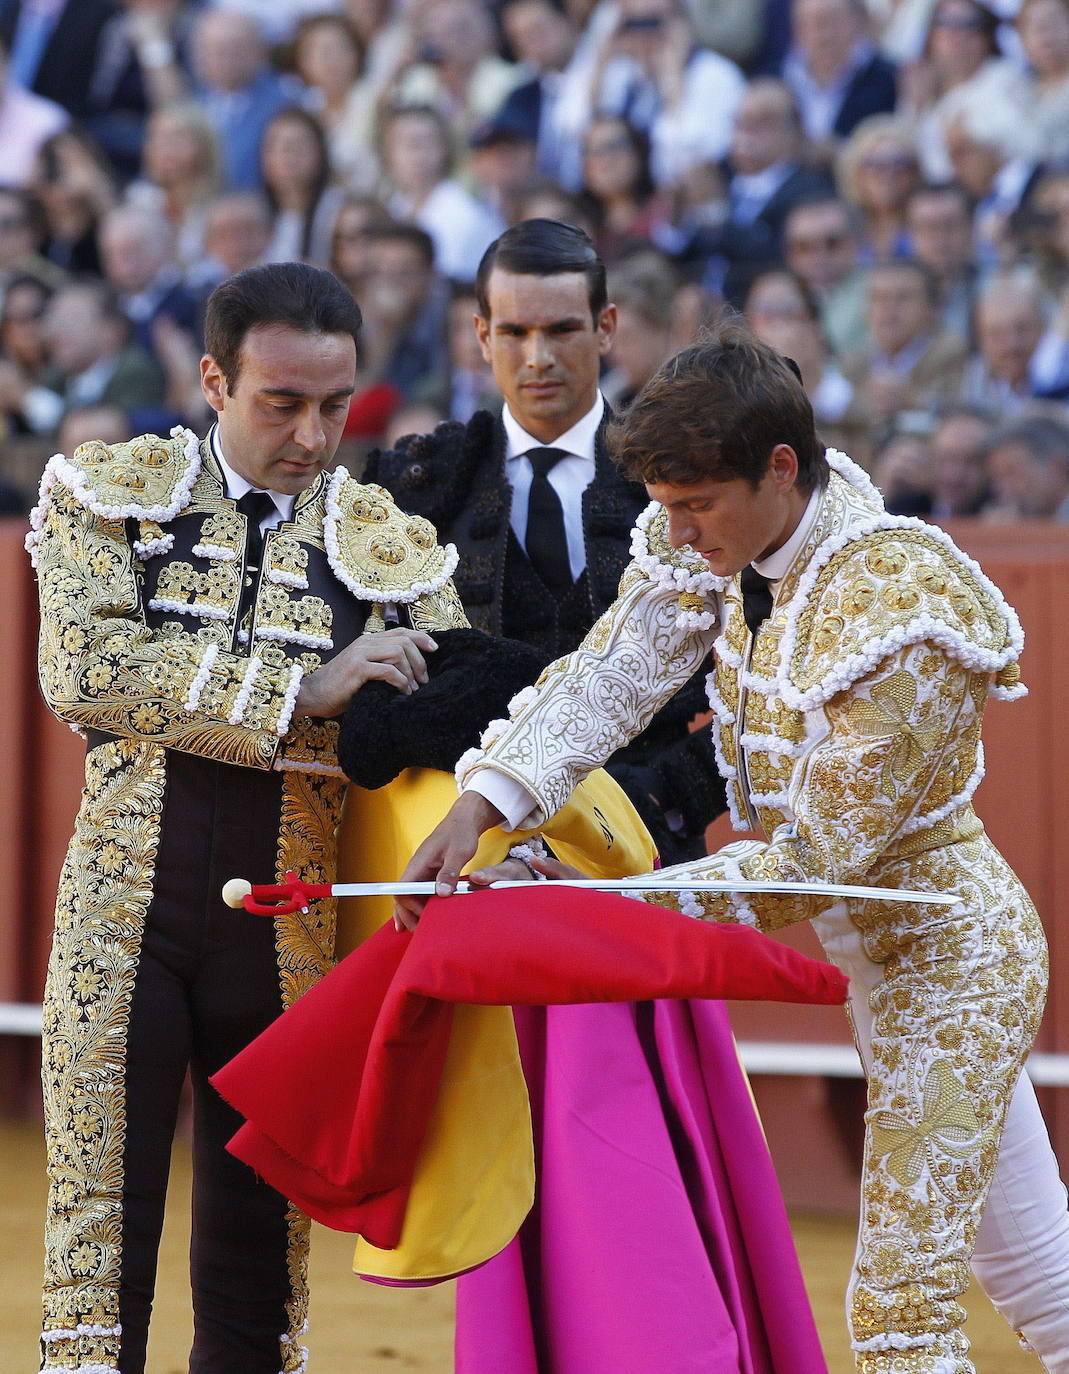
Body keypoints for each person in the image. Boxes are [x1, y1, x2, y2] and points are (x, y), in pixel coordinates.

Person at [398, 323, 1069, 1372]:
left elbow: (809, 864)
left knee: (900, 1313)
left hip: (949, 962)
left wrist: (585, 911)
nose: (675, 528)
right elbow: (611, 675)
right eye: (665, 504)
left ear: (780, 469)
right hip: (877, 953)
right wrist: (484, 804)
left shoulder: (897, 605)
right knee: (1043, 1275)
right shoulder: (714, 533)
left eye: (696, 503)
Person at [29, 261, 472, 1374]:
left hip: (287, 940)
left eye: (335, 404)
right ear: (215, 380)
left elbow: (456, 699)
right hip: (121, 922)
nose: (314, 435)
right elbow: (83, 670)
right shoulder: (108, 492)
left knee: (256, 1266)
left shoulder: (391, 546)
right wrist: (301, 690)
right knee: (97, 1242)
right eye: (283, 402)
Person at [365, 217, 724, 863]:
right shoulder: (414, 486)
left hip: (648, 844)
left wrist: (652, 810)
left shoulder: (684, 480)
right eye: (514, 332)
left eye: (560, 330)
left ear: (605, 327)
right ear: (480, 335)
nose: (537, 357)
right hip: (468, 847)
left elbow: (748, 685)